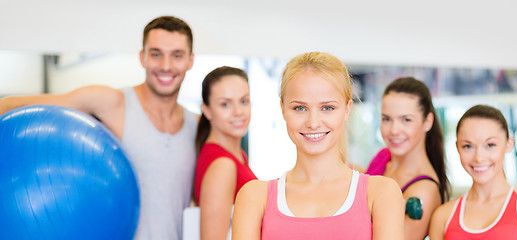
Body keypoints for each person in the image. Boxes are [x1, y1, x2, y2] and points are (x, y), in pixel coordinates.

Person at [0, 16, 197, 239]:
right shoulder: (112, 102)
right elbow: (9, 104)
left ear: (190, 60)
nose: (166, 66)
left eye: (177, 55)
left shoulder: (197, 126)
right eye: (156, 54)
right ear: (142, 57)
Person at [232, 52, 405, 240]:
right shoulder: (254, 197)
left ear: (347, 109)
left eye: (327, 108)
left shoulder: (381, 194)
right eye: (300, 108)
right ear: (283, 109)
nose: (313, 123)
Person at [429, 105, 517, 240]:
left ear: (509, 144)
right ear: (457, 147)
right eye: (468, 146)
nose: (479, 158)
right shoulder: (442, 216)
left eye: (490, 145)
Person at [365, 77, 450, 239]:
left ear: (427, 121)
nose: (394, 130)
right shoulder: (383, 157)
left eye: (406, 120)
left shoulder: (424, 191)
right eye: (387, 119)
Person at [193, 66, 257, 239]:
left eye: (244, 101)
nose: (238, 112)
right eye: (225, 104)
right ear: (206, 110)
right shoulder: (222, 164)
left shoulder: (237, 155)